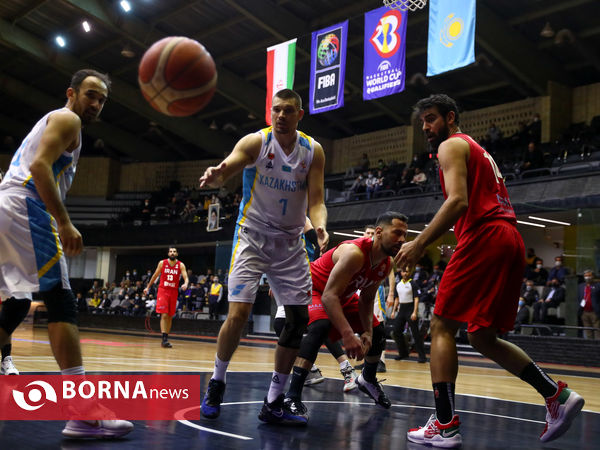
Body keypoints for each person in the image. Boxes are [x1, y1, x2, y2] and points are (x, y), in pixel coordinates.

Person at [397, 94, 583, 447]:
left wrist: (419, 243)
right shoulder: (476, 149)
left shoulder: (451, 145)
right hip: (508, 238)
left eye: (431, 119)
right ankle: (556, 396)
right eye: (423, 121)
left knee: (441, 325)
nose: (426, 127)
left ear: (450, 118)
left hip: (487, 235)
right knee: (482, 335)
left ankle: (445, 423)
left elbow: (458, 201)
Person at [0, 69, 132, 438]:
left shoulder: (52, 122)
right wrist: (64, 222)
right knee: (61, 302)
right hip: (27, 206)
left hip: (7, 207)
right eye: (91, 95)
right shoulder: (67, 118)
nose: (96, 104)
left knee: (15, 304)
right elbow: (40, 168)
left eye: (102, 100)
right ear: (71, 93)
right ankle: (83, 412)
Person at [199, 89, 328, 423]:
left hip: (289, 244)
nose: (281, 116)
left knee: (298, 321)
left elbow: (316, 199)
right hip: (252, 237)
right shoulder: (257, 142)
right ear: (270, 113)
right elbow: (236, 159)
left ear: (300, 114)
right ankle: (217, 380)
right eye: (276, 110)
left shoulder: (312, 150)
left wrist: (321, 226)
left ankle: (273, 400)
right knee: (239, 313)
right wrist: (220, 171)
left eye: (288, 111)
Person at [282, 212, 408, 424]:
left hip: (341, 295)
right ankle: (292, 396)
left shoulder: (386, 264)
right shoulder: (355, 253)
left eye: (405, 235)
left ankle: (368, 379)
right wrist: (349, 334)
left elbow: (367, 300)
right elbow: (329, 296)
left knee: (378, 332)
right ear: (378, 232)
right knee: (321, 326)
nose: (403, 239)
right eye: (397, 233)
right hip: (314, 289)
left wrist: (366, 331)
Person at [144, 247, 189, 348]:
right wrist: (148, 287)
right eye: (170, 251)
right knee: (164, 315)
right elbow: (155, 276)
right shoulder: (162, 263)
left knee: (169, 316)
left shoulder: (180, 265)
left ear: (177, 254)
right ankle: (164, 339)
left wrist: (186, 284)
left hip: (173, 292)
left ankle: (166, 338)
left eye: (174, 252)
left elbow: (186, 277)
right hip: (163, 291)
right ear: (168, 253)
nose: (172, 253)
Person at [391, 269, 427, 363]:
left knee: (415, 333)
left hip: (410, 309)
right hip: (401, 309)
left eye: (407, 271)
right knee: (396, 331)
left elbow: (416, 299)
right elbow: (397, 298)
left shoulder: (413, 284)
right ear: (401, 273)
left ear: (409, 273)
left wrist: (415, 312)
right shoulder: (398, 284)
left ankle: (422, 356)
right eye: (403, 271)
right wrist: (393, 311)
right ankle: (403, 353)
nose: (405, 273)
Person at [578, 270, 600, 339]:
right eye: (586, 276)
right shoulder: (581, 286)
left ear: (593, 276)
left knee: (597, 332)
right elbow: (578, 298)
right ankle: (589, 348)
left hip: (595, 312)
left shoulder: (598, 285)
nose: (587, 277)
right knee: (588, 332)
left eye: (589, 275)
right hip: (584, 312)